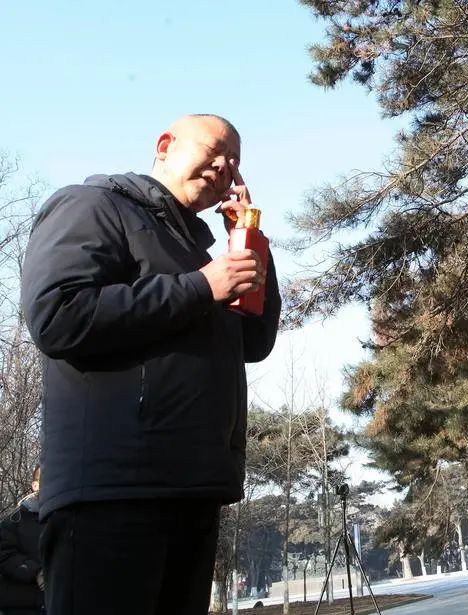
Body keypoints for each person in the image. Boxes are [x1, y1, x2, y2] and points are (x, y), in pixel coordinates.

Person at [20, 114, 281, 615]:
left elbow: (254, 341)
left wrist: (248, 238)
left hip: (194, 487)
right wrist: (201, 286)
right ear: (165, 145)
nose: (225, 167)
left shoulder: (201, 250)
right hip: (110, 494)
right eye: (215, 150)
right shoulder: (91, 205)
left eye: (234, 163)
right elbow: (58, 315)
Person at [0, 467, 45, 615]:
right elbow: (4, 555)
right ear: (35, 485)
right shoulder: (14, 520)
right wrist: (35, 572)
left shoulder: (69, 518)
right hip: (23, 606)